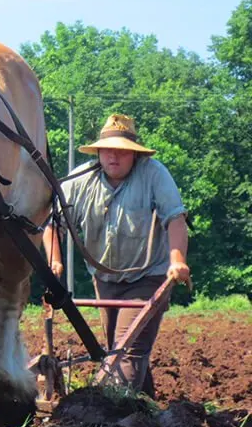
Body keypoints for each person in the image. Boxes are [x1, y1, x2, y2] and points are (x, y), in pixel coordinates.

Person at [43, 114, 191, 398]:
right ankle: (144, 409)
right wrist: (55, 260)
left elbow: (175, 217)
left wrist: (177, 260)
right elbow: (53, 223)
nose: (114, 155)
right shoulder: (81, 179)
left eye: (122, 150)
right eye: (108, 149)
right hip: (104, 279)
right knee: (120, 348)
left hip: (148, 276)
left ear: (134, 154)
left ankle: (105, 404)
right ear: (98, 151)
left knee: (127, 349)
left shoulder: (153, 174)